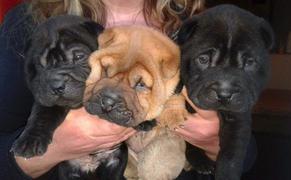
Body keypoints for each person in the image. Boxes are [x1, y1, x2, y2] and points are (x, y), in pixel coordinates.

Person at [0, 0, 256, 179]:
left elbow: (247, 157)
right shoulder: (29, 24)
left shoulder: (200, 27)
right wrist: (55, 146)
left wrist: (213, 138)